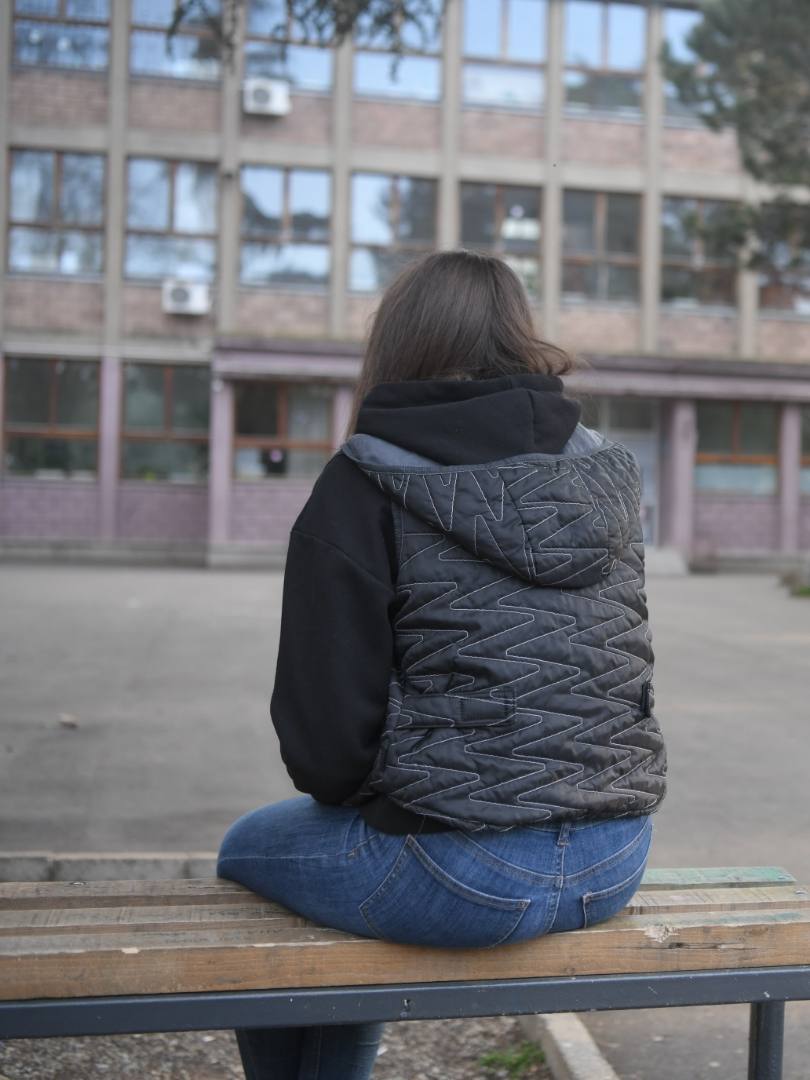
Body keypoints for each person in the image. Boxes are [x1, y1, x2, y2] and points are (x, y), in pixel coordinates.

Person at [215, 251, 666, 1080]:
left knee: (247, 848)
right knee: (371, 838)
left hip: (463, 876)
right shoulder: (608, 477)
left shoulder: (361, 484)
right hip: (617, 857)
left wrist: (417, 801)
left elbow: (325, 750)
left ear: (396, 345)